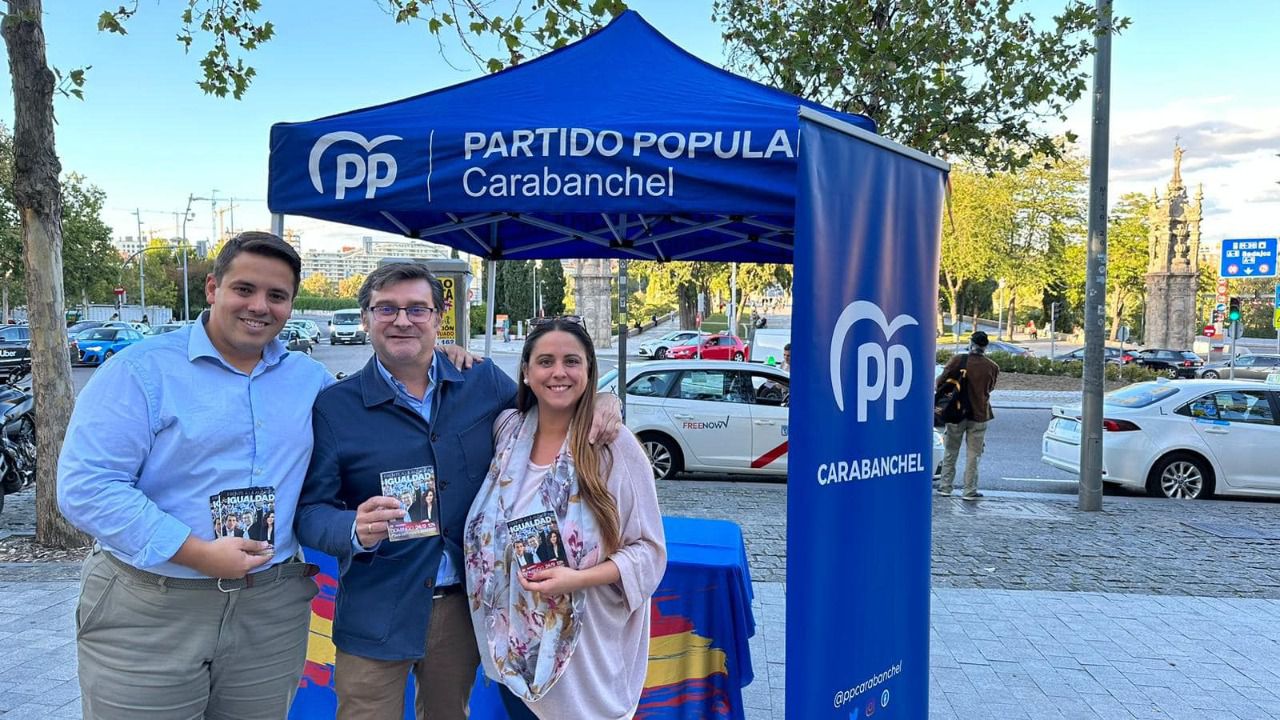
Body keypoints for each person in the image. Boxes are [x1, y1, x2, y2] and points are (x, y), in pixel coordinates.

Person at [294, 263, 622, 720]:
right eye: (386, 308)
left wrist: (602, 400)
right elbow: (309, 512)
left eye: (417, 309)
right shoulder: (335, 406)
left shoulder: (481, 382)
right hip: (377, 606)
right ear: (366, 318)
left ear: (439, 316)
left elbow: (550, 407)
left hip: (462, 609)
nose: (402, 320)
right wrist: (352, 527)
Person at [56, 232, 334, 720]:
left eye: (277, 296)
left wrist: (443, 362)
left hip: (269, 611)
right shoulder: (141, 371)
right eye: (244, 289)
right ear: (212, 288)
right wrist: (198, 553)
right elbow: (87, 487)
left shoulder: (310, 380)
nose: (259, 307)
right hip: (151, 608)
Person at [465, 317, 667, 720]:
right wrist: (453, 351)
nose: (558, 372)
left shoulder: (612, 446)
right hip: (513, 655)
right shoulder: (507, 431)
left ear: (589, 370)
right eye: (545, 361)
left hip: (584, 663)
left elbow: (649, 553)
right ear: (526, 371)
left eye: (571, 361)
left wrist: (577, 579)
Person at [934, 330, 999, 500]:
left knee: (950, 451)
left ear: (971, 343)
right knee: (974, 455)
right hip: (979, 414)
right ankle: (969, 490)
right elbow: (990, 389)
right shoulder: (992, 367)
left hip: (956, 412)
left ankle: (945, 487)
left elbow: (940, 383)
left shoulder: (958, 360)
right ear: (985, 346)